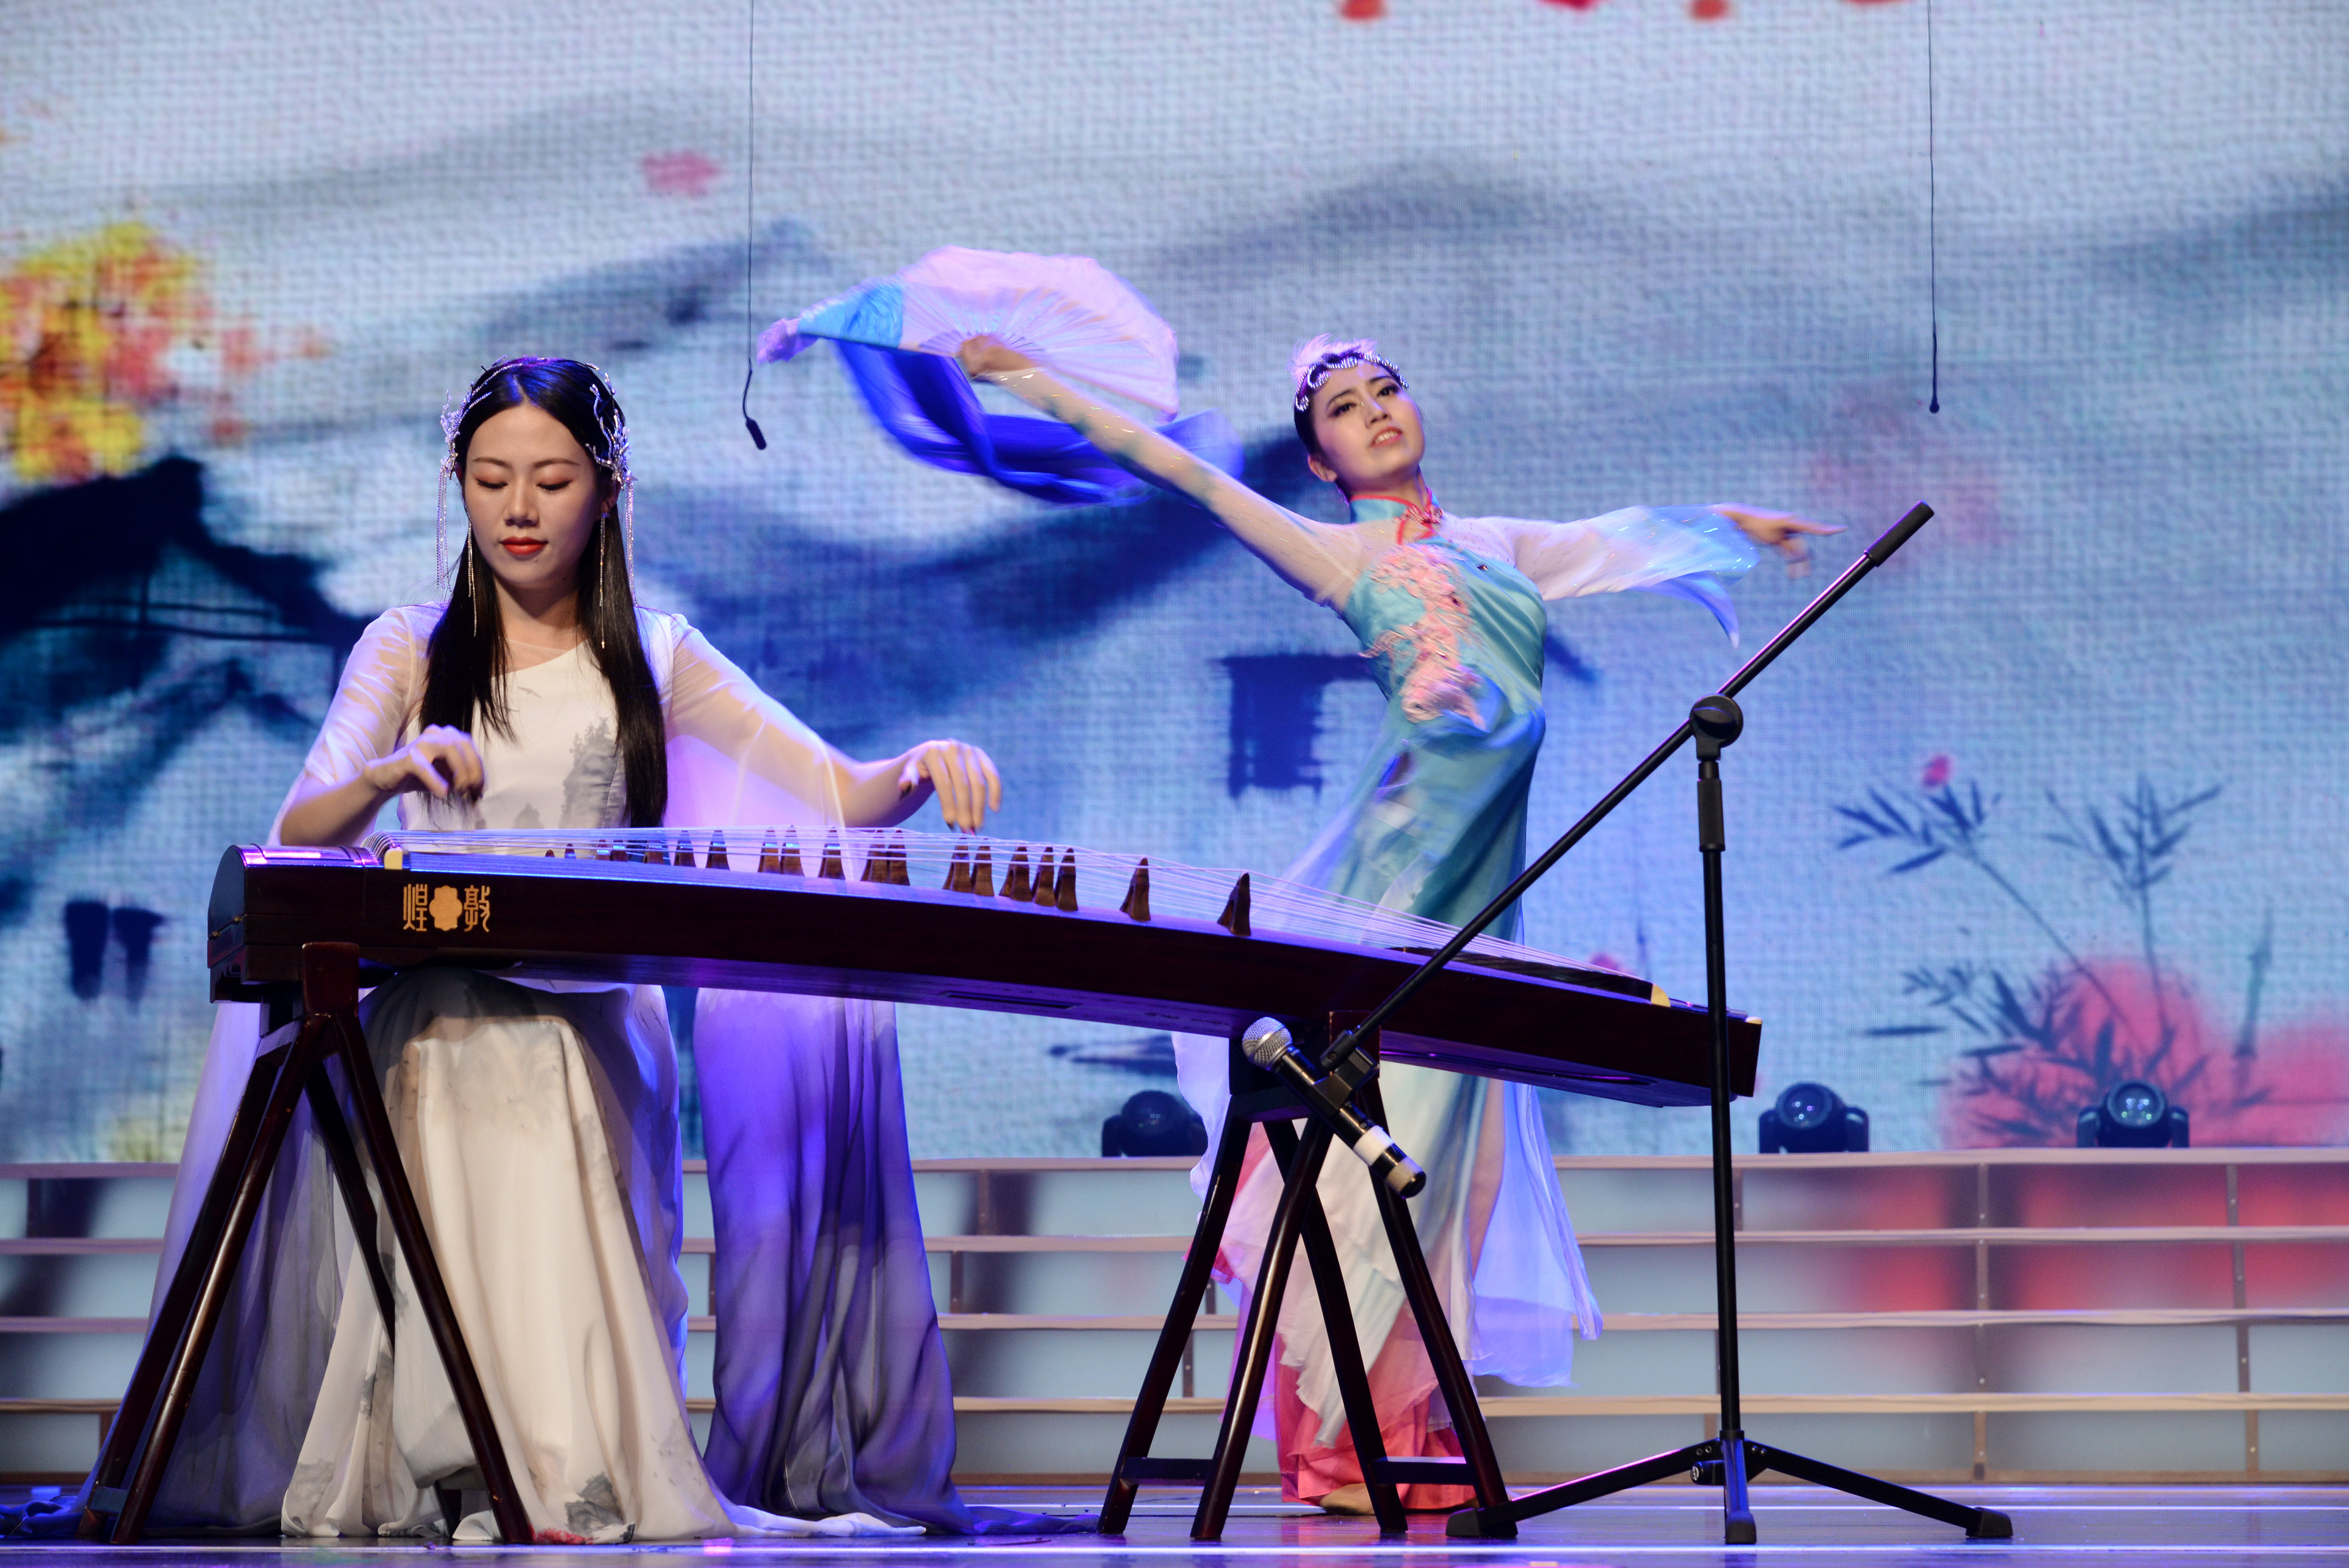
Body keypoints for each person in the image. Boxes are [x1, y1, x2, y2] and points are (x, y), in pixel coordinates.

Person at [38, 358, 1002, 1542]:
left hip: (594, 1018)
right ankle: (457, 1469)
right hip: (440, 1015)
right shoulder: (408, 646)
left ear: (608, 488)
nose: (519, 508)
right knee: (468, 1106)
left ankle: (559, 1478)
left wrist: (920, 766)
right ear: (461, 484)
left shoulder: (657, 652)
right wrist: (391, 770)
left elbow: (840, 791)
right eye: (491, 479)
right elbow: (301, 823)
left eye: (552, 479)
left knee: (563, 1146)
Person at [955, 331, 1834, 1513]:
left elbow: (1614, 539)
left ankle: (1399, 1438)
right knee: (1369, 1157)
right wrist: (1026, 379)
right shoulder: (1337, 551)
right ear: (1320, 461)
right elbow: (1181, 471)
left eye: (1386, 391)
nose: (1374, 412)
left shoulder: (1495, 543)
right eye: (1343, 408)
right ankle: (1342, 1449)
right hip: (1402, 885)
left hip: (1481, 895)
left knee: (1453, 1170)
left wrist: (1735, 526)